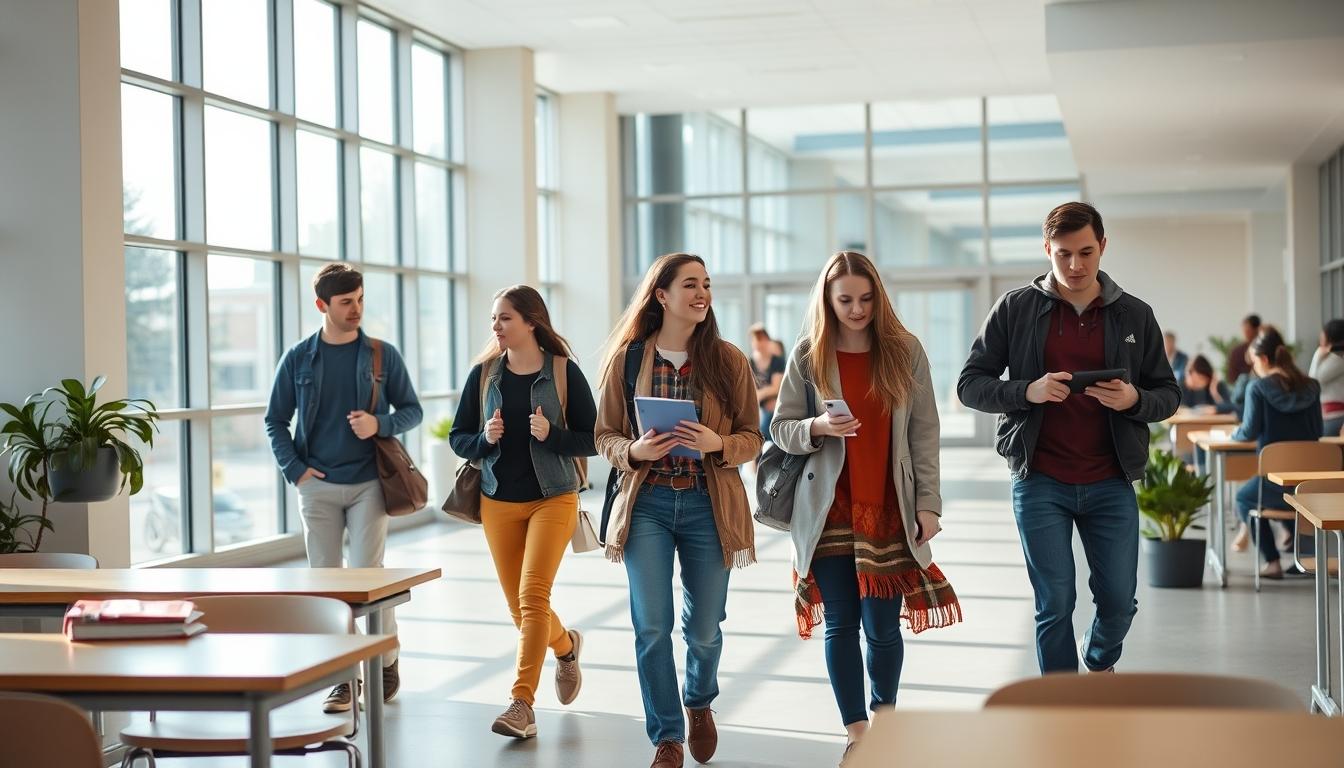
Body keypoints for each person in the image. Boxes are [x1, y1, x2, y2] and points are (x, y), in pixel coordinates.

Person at [957, 202, 1180, 674]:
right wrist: (1027, 391)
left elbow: (1169, 394)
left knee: (1119, 602)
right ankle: (1063, 705)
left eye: (1085, 252)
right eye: (1063, 254)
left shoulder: (1135, 314)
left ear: (1102, 246)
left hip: (1110, 479)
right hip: (1040, 479)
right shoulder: (1016, 308)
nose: (1075, 265)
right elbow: (970, 384)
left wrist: (1134, 400)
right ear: (1047, 250)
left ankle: (1098, 661)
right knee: (1054, 602)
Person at [768, 251, 960, 766]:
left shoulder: (905, 351)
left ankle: (886, 718)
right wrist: (818, 428)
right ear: (828, 301)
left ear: (879, 296)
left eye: (866, 298)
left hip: (888, 508)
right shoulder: (810, 355)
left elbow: (925, 433)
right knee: (841, 624)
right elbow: (780, 427)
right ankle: (857, 732)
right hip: (828, 509)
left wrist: (929, 504)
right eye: (846, 299)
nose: (857, 309)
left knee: (883, 626)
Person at [595, 253, 762, 768]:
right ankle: (666, 738)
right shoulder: (627, 360)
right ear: (661, 295)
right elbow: (603, 435)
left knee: (706, 626)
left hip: (708, 506)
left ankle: (699, 700)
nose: (702, 293)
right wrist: (634, 452)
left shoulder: (729, 360)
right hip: (646, 504)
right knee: (651, 625)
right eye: (690, 284)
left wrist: (717, 442)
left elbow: (754, 436)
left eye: (707, 284)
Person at [264, 263, 422, 712]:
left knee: (367, 576)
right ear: (322, 306)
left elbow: (412, 410)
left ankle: (385, 658)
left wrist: (380, 423)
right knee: (327, 583)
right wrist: (294, 470)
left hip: (370, 482)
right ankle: (344, 679)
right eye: (346, 302)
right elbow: (275, 419)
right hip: (316, 484)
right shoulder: (299, 357)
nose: (356, 309)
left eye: (360, 299)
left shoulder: (380, 355)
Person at [448, 285, 596, 739]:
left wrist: (552, 434)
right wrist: (484, 440)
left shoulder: (564, 372)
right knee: (521, 609)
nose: (496, 326)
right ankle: (566, 646)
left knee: (533, 597)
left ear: (531, 322)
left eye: (505, 317)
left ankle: (521, 704)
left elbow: (594, 438)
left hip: (554, 497)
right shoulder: (484, 375)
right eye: (494, 318)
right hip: (497, 501)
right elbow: (459, 438)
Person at [1231, 327, 1324, 577]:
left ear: (1263, 359)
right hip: (1311, 483)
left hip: (1274, 482)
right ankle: (1305, 556)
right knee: (1294, 500)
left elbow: (1248, 432)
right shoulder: (1312, 386)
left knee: (1244, 498)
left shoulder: (1258, 388)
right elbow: (1318, 430)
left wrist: (1232, 435)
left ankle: (1272, 562)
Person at [747, 322, 786, 443]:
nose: (759, 343)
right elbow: (749, 389)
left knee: (767, 421)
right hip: (757, 405)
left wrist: (759, 395)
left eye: (762, 339)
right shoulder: (750, 361)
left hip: (774, 403)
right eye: (756, 339)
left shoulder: (777, 361)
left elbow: (776, 388)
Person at [1310, 319, 1344, 436]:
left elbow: (1314, 380)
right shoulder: (1333, 356)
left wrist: (1318, 353)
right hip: (1330, 416)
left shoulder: (1339, 357)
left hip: (1335, 416)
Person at [1227, 313, 1261, 384]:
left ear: (1257, 330)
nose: (1245, 334)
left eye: (1248, 330)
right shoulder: (1237, 351)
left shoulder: (1263, 348)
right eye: (1244, 330)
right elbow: (1231, 377)